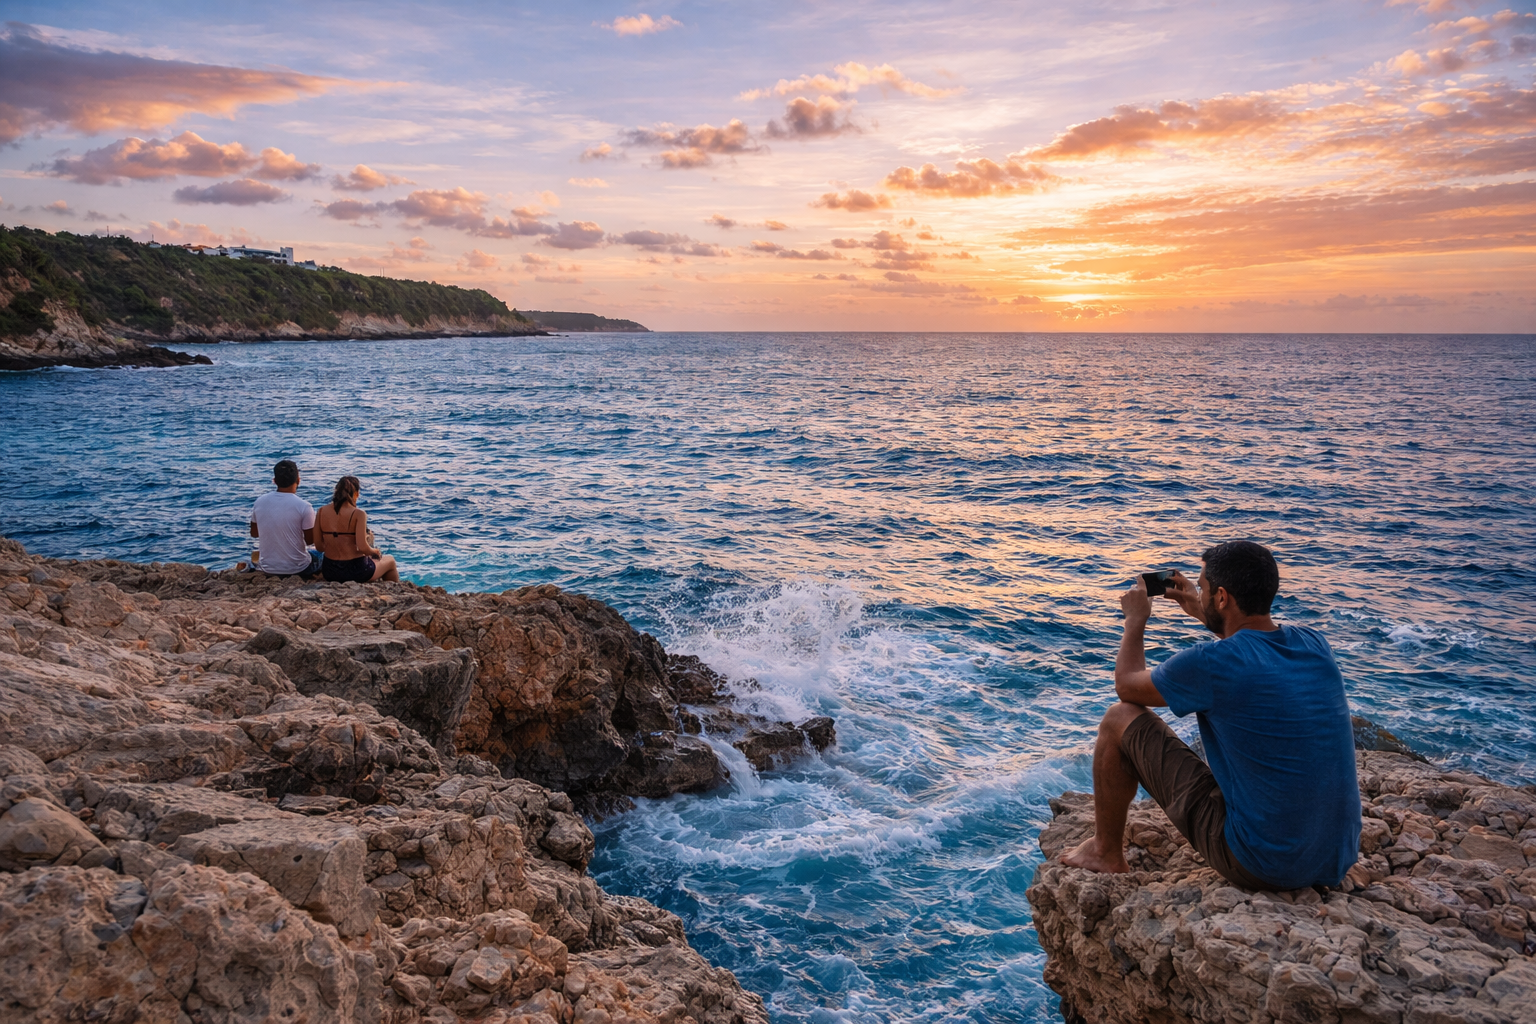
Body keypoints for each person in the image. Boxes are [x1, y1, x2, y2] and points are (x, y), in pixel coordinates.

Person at [1062, 540, 1360, 891]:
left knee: (1119, 718)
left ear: (1222, 598)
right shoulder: (1313, 643)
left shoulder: (1212, 663)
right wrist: (1198, 606)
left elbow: (1127, 687)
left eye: (1202, 588)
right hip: (1335, 857)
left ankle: (1104, 852)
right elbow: (1248, 636)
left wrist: (1135, 621)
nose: (1197, 592)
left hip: (1263, 863)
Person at [314, 475, 399, 583]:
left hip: (330, 571)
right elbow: (362, 547)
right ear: (356, 494)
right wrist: (375, 551)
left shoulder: (321, 511)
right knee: (390, 560)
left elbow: (319, 547)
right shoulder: (359, 514)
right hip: (356, 571)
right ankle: (392, 592)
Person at [249, 459, 320, 578]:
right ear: (298, 480)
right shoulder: (304, 506)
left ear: (274, 481)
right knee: (320, 554)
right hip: (298, 569)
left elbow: (254, 533)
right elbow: (310, 541)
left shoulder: (259, 502)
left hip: (267, 568)